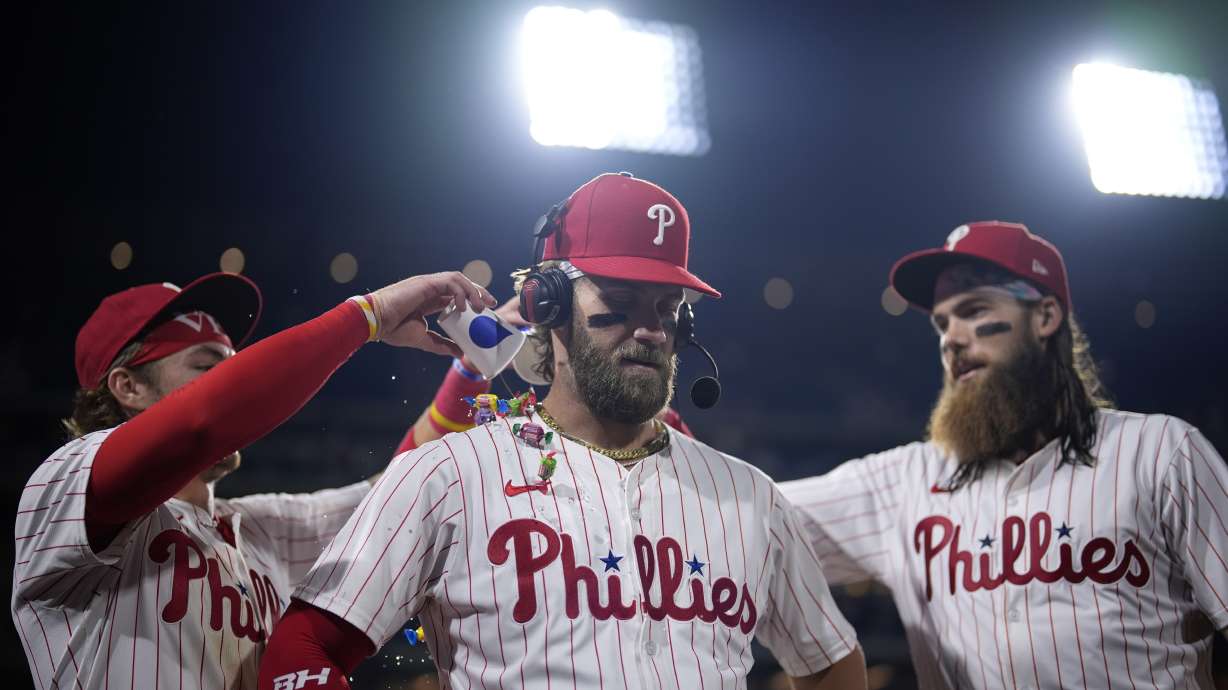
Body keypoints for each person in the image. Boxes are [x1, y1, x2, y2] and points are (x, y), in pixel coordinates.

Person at [259, 173, 867, 689]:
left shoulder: (750, 495)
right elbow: (305, 646)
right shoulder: (449, 474)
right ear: (547, 306)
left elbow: (831, 662)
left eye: (667, 308)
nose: (651, 329)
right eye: (623, 300)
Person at [782, 221, 1228, 689]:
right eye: (941, 323)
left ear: (1045, 316)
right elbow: (748, 516)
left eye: (973, 310)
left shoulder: (1159, 453)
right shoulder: (905, 482)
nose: (950, 338)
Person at [12, 269, 495, 689]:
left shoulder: (258, 529)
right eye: (206, 368)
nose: (232, 378)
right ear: (128, 386)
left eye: (232, 364)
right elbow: (201, 421)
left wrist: (473, 367)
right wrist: (370, 315)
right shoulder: (62, 488)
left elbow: (397, 489)